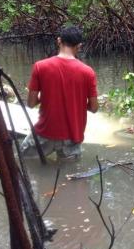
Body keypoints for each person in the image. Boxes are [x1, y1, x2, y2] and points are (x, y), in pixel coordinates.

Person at [21, 26, 98, 160]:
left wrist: (47, 97)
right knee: (71, 176)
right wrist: (75, 102)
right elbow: (94, 108)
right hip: (72, 136)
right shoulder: (88, 72)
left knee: (23, 161)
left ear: (58, 41)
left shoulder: (40, 66)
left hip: (45, 133)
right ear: (79, 46)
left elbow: (31, 103)